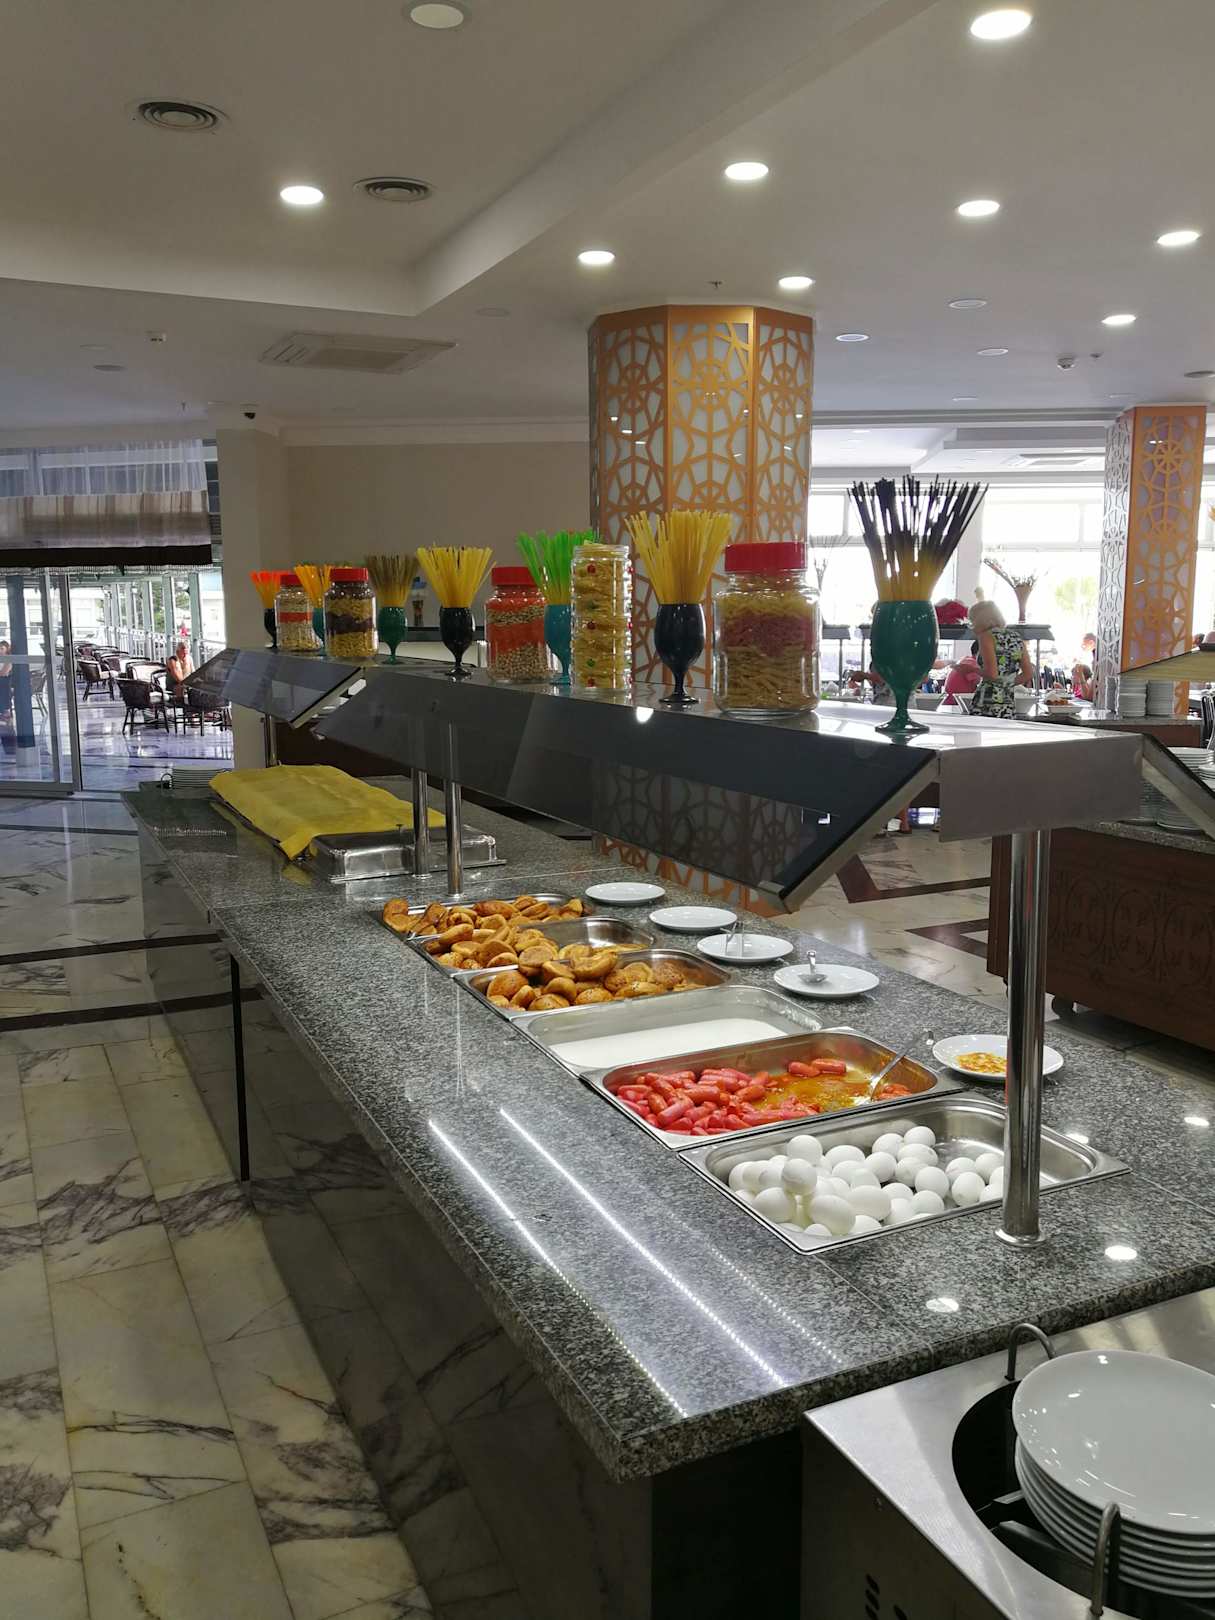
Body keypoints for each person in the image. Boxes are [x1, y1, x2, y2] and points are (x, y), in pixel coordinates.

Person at [969, 600, 1033, 719]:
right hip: (1008, 701)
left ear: (980, 620)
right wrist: (1006, 683)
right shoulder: (1016, 637)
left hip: (987, 701)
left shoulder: (986, 637)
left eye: (972, 621)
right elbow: (1028, 673)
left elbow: (992, 674)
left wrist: (971, 669)